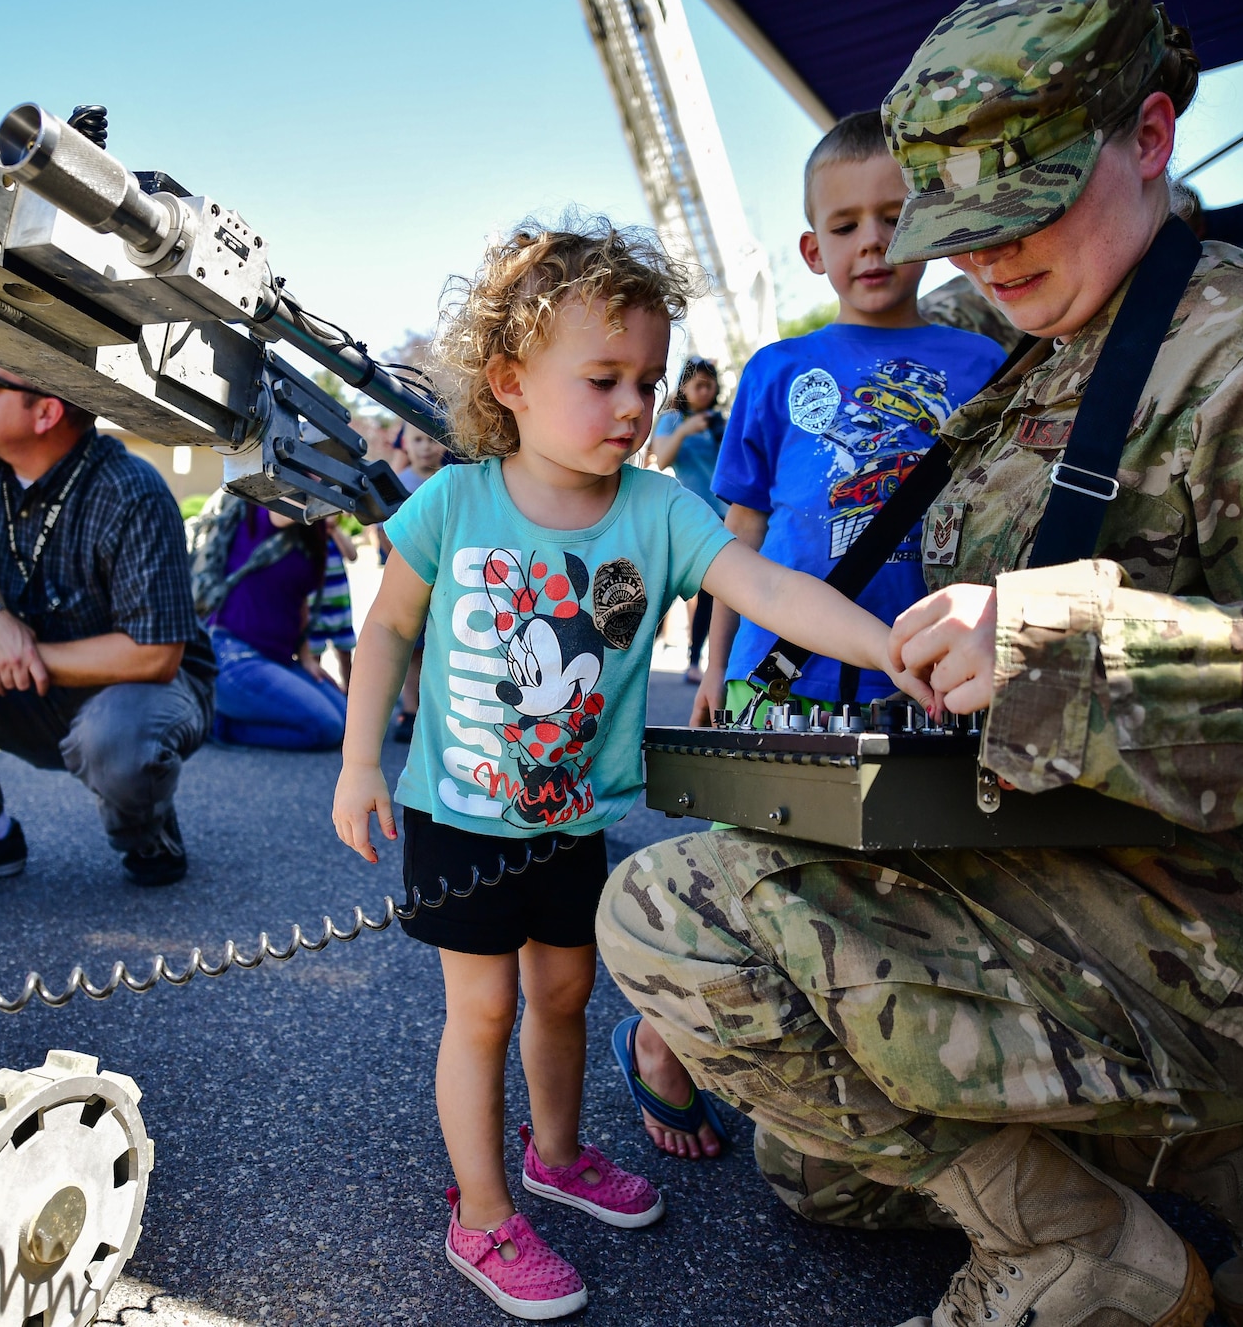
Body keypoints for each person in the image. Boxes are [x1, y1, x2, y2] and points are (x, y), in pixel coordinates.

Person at [595, 0, 1243, 1326]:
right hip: (1063, 855)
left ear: (1151, 134)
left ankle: (1084, 1252)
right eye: (958, 223)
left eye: (1029, 204)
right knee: (815, 1169)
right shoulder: (1042, 359)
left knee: (673, 917)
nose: (992, 258)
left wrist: (1078, 649)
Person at [331, 217, 928, 1321]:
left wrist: (887, 644)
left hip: (571, 818)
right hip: (457, 821)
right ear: (508, 380)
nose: (631, 406)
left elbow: (768, 589)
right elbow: (386, 631)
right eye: (600, 378)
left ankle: (555, 1153)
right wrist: (359, 759)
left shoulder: (656, 510)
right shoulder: (454, 502)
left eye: (646, 381)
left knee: (563, 993)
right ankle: (481, 1212)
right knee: (481, 1011)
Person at [631, 108, 1006, 1165]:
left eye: (894, 216)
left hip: (923, 677)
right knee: (753, 878)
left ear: (930, 224)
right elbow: (736, 532)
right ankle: (663, 1042)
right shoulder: (773, 368)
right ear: (813, 248)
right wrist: (708, 669)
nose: (871, 242)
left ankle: (849, 1071)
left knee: (894, 887)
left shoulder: (983, 363)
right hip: (778, 674)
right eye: (844, 224)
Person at [0, 359, 215, 891]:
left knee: (116, 738)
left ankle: (147, 830)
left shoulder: (130, 490)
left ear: (46, 411)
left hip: (140, 691)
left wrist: (3, 664)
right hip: (35, 690)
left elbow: (155, 656)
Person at [204, 499, 348, 750]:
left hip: (277, 660)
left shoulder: (312, 532)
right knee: (327, 728)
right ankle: (219, 725)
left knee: (347, 722)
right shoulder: (263, 509)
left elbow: (301, 599)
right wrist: (337, 488)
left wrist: (306, 659)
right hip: (233, 657)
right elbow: (288, 508)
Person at [647, 356, 726, 682]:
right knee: (660, 584)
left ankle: (696, 662)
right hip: (684, 516)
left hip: (718, 515)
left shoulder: (720, 422)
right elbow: (662, 458)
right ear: (684, 387)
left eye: (710, 384)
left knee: (710, 595)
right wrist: (686, 430)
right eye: (698, 384)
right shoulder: (672, 418)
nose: (705, 391)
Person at [382, 424, 448, 743]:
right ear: (405, 445)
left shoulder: (451, 483)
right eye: (417, 440)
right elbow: (385, 532)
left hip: (443, 581)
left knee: (440, 648)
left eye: (431, 439)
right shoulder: (401, 484)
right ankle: (410, 709)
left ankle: (436, 712)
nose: (424, 447)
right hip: (413, 579)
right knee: (413, 650)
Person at [306, 516, 358, 691]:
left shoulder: (336, 539)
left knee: (345, 655)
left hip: (339, 608)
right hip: (314, 610)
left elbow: (352, 555)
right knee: (313, 656)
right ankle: (316, 693)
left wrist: (334, 531)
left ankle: (349, 692)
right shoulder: (308, 538)